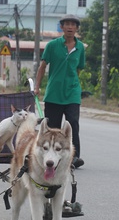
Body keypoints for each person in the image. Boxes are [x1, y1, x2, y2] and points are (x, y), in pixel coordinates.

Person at [34, 14, 86, 169]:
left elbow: (78, 69)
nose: (70, 27)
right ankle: (50, 156)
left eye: (73, 25)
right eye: (67, 24)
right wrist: (37, 87)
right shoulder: (52, 46)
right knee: (53, 128)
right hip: (54, 93)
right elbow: (42, 67)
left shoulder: (80, 47)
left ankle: (74, 157)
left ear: (76, 28)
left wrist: (74, 84)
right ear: (62, 27)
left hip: (72, 93)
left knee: (73, 124)